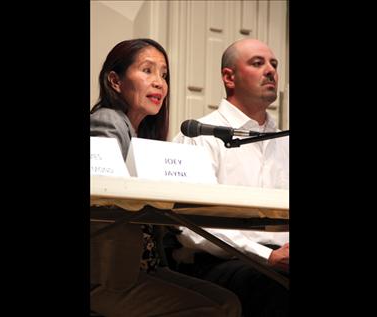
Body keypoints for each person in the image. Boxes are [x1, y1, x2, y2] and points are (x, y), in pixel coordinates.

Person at [90, 38, 241, 317]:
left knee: (228, 303)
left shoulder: (142, 135)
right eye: (147, 70)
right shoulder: (108, 120)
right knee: (213, 310)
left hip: (146, 267)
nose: (159, 82)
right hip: (107, 277)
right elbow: (106, 194)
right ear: (115, 81)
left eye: (164, 74)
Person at [172, 38, 289, 317]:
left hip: (279, 257)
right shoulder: (200, 137)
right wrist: (267, 256)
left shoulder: (285, 141)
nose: (271, 70)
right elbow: (193, 227)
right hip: (219, 261)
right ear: (229, 77)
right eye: (258, 63)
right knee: (275, 286)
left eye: (274, 64)